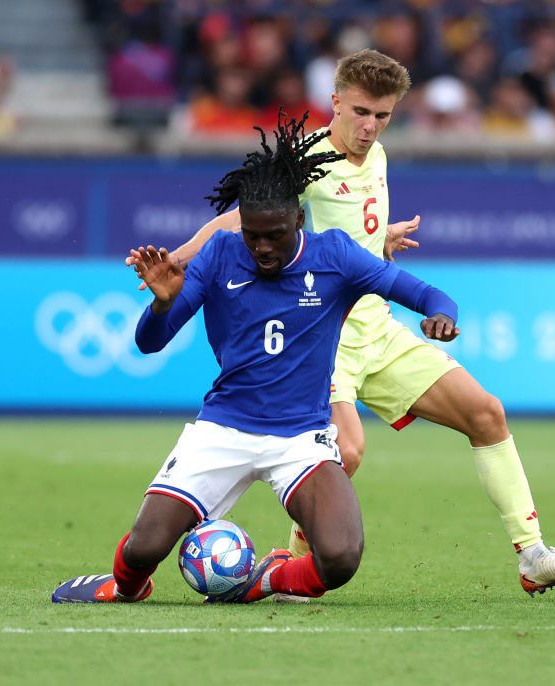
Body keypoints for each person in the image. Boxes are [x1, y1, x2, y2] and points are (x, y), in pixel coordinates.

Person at [149, 49, 555, 597]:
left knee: (486, 412)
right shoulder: (305, 158)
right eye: (360, 112)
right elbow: (239, 217)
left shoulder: (378, 156)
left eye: (382, 116)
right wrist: (181, 258)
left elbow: (341, 238)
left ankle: (533, 556)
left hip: (378, 329)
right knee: (351, 448)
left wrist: (378, 240)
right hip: (323, 334)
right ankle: (291, 566)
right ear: (334, 101)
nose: (369, 126)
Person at [51, 113, 461, 604]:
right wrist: (161, 303)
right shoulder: (220, 254)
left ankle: (264, 581)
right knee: (145, 547)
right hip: (223, 429)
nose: (262, 247)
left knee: (341, 557)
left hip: (301, 438)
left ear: (300, 220)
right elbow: (149, 343)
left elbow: (428, 293)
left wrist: (439, 315)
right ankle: (124, 588)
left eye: (275, 235)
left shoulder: (336, 256)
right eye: (253, 234)